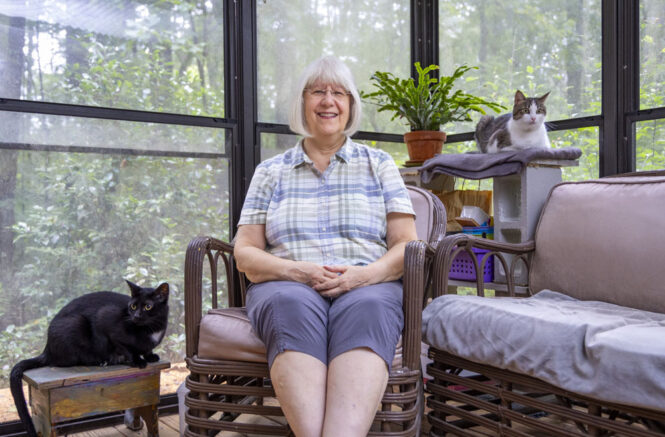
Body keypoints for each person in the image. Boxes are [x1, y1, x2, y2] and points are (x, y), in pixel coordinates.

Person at [233, 55, 418, 437]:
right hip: (287, 284)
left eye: (339, 93)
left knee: (367, 306)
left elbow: (406, 247)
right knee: (289, 303)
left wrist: (362, 277)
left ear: (351, 105)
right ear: (303, 103)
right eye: (318, 91)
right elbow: (245, 253)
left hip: (367, 284)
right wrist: (297, 271)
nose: (328, 101)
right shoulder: (270, 171)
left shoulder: (379, 164)